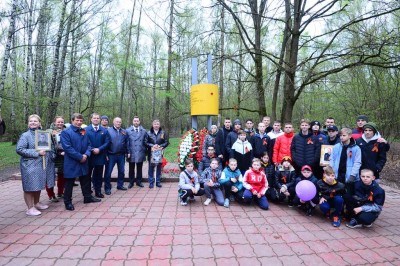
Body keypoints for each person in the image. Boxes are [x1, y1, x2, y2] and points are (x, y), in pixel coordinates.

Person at [16, 114, 55, 216]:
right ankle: (29, 208)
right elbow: (19, 149)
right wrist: (37, 152)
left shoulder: (43, 134)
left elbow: (49, 147)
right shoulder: (25, 135)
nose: (33, 123)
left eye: (35, 121)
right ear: (28, 124)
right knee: (29, 186)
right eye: (31, 121)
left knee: (38, 184)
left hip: (41, 165)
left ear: (39, 123)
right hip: (29, 165)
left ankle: (36, 203)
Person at [61, 113, 101, 211]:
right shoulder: (66, 132)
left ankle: (87, 197)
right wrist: (79, 157)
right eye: (77, 120)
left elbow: (89, 145)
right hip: (72, 161)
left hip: (84, 160)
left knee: (85, 179)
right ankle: (68, 202)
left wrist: (86, 155)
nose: (79, 122)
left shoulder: (83, 131)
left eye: (80, 120)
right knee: (70, 182)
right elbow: (67, 148)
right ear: (72, 121)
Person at [330, 128, 361, 195]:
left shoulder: (356, 148)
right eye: (340, 135)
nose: (341, 137)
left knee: (348, 195)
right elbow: (332, 159)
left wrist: (352, 175)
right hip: (337, 175)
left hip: (349, 176)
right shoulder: (336, 147)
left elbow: (357, 163)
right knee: (337, 195)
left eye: (344, 135)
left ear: (350, 136)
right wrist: (331, 171)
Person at [86, 113, 111, 198]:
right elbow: (84, 142)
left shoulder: (104, 130)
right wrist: (92, 149)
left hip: (100, 156)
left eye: (97, 118)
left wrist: (99, 149)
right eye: (94, 118)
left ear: (100, 120)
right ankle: (88, 192)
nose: (96, 119)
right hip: (89, 156)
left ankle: (98, 191)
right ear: (91, 119)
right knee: (87, 175)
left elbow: (107, 142)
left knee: (99, 175)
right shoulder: (85, 130)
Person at [104, 117, 128, 193]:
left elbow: (127, 143)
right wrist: (106, 154)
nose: (118, 123)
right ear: (113, 122)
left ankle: (120, 185)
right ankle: (107, 188)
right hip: (111, 155)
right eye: (117, 122)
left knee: (121, 171)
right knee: (108, 172)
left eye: (120, 122)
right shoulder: (108, 131)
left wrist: (128, 152)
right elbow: (105, 143)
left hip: (121, 155)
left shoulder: (124, 131)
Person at [45, 116, 66, 202]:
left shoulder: (66, 131)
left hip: (63, 156)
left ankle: (60, 192)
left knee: (62, 175)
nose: (60, 124)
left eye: (61, 122)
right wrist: (51, 133)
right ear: (54, 122)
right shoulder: (49, 131)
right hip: (52, 157)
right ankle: (51, 194)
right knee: (50, 175)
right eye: (58, 122)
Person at [146, 119, 169, 188]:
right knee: (151, 168)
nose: (156, 125)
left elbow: (166, 142)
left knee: (159, 167)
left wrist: (161, 146)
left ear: (159, 125)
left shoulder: (163, 133)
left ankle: (158, 182)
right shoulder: (148, 133)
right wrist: (152, 145)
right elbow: (145, 142)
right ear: (152, 125)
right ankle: (151, 182)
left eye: (157, 124)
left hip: (159, 153)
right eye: (155, 124)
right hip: (151, 153)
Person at [126, 116, 148, 188]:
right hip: (131, 152)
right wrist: (128, 152)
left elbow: (146, 141)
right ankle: (131, 182)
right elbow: (127, 142)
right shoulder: (128, 130)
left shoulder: (144, 131)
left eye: (137, 121)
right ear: (133, 122)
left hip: (140, 151)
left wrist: (145, 151)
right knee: (131, 168)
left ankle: (139, 181)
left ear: (139, 122)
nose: (136, 122)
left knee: (139, 168)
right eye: (135, 121)